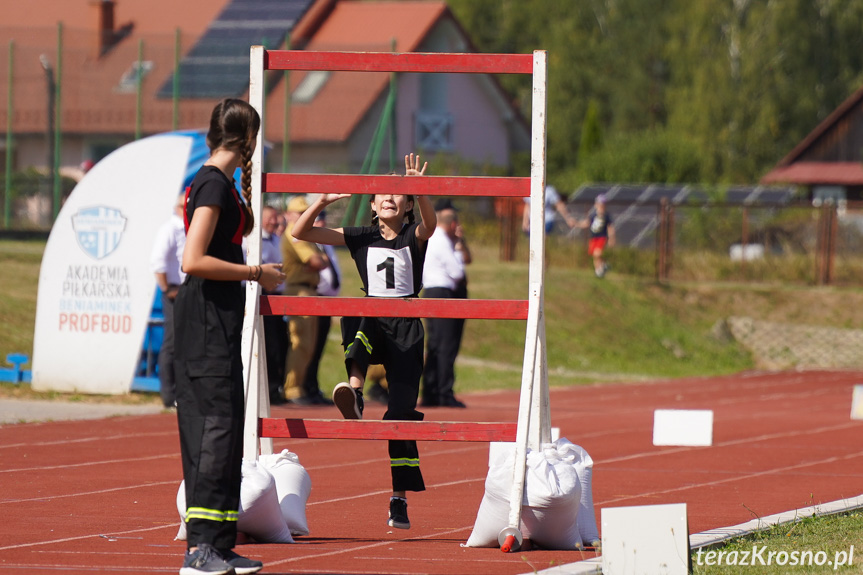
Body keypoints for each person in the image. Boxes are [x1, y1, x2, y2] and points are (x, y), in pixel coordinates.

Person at [291, 153, 435, 531]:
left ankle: (399, 497)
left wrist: (420, 190)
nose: (389, 197)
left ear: (406, 206)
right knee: (358, 309)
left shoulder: (411, 235)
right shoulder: (360, 236)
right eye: (382, 193)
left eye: (398, 193)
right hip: (372, 320)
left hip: (406, 329)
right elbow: (301, 233)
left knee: (401, 416)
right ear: (372, 204)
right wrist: (319, 203)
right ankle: (354, 391)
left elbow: (430, 226)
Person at [173, 97, 284, 575]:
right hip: (202, 322)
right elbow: (191, 260)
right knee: (211, 432)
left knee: (227, 428)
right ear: (248, 139)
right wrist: (256, 272)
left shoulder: (220, 184)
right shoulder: (212, 184)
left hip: (219, 321)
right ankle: (200, 549)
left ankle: (219, 541)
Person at [420, 198, 471, 408]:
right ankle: (443, 392)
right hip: (443, 293)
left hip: (431, 292)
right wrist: (458, 250)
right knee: (445, 346)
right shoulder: (442, 240)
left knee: (435, 345)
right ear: (452, 224)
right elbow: (457, 272)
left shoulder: (432, 238)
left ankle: (431, 391)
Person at [280, 195, 330, 405]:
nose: (303, 216)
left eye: (305, 212)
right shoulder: (295, 233)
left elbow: (323, 261)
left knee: (309, 344)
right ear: (289, 215)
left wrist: (319, 262)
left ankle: (300, 387)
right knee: (300, 343)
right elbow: (317, 260)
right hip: (298, 291)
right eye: (299, 213)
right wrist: (316, 262)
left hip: (308, 290)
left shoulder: (304, 233)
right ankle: (292, 389)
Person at [149, 192, 186, 409]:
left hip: (188, 289)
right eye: (185, 206)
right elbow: (157, 262)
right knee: (172, 343)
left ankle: (180, 392)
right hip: (175, 290)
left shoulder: (188, 229)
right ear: (177, 207)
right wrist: (167, 289)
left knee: (185, 343)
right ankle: (168, 394)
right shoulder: (170, 229)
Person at [300, 210, 339, 405]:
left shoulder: (327, 245)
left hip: (328, 302)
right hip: (316, 298)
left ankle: (313, 386)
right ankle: (306, 386)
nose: (322, 222)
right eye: (319, 219)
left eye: (324, 219)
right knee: (310, 347)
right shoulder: (311, 243)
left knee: (319, 346)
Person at [257, 205, 289, 405]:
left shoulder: (276, 239)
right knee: (267, 344)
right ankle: (266, 389)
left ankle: (276, 387)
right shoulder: (254, 242)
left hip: (278, 296)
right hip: (263, 296)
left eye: (276, 218)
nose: (274, 221)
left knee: (280, 344)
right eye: (270, 218)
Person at [578, 193, 615, 277]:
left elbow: (610, 227)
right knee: (594, 255)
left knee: (597, 253)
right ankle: (599, 269)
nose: (601, 206)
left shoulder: (606, 216)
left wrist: (611, 238)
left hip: (602, 237)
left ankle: (601, 268)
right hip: (593, 238)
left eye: (602, 205)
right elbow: (587, 223)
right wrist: (577, 224)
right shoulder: (593, 215)